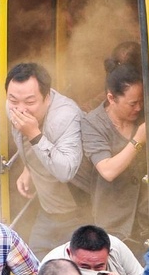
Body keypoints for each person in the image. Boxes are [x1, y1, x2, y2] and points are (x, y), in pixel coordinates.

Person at [6, 62, 89, 259]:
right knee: (36, 273)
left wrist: (34, 134)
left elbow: (66, 171)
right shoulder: (13, 106)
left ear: (47, 97)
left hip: (80, 215)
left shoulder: (66, 116)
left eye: (29, 102)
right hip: (47, 212)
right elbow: (25, 145)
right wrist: (29, 169)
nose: (21, 110)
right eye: (13, 100)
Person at [81, 63, 149, 261]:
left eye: (141, 102)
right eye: (132, 103)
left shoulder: (144, 115)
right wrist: (138, 140)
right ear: (111, 98)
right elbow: (108, 170)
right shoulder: (93, 123)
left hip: (147, 219)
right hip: (113, 223)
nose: (139, 108)